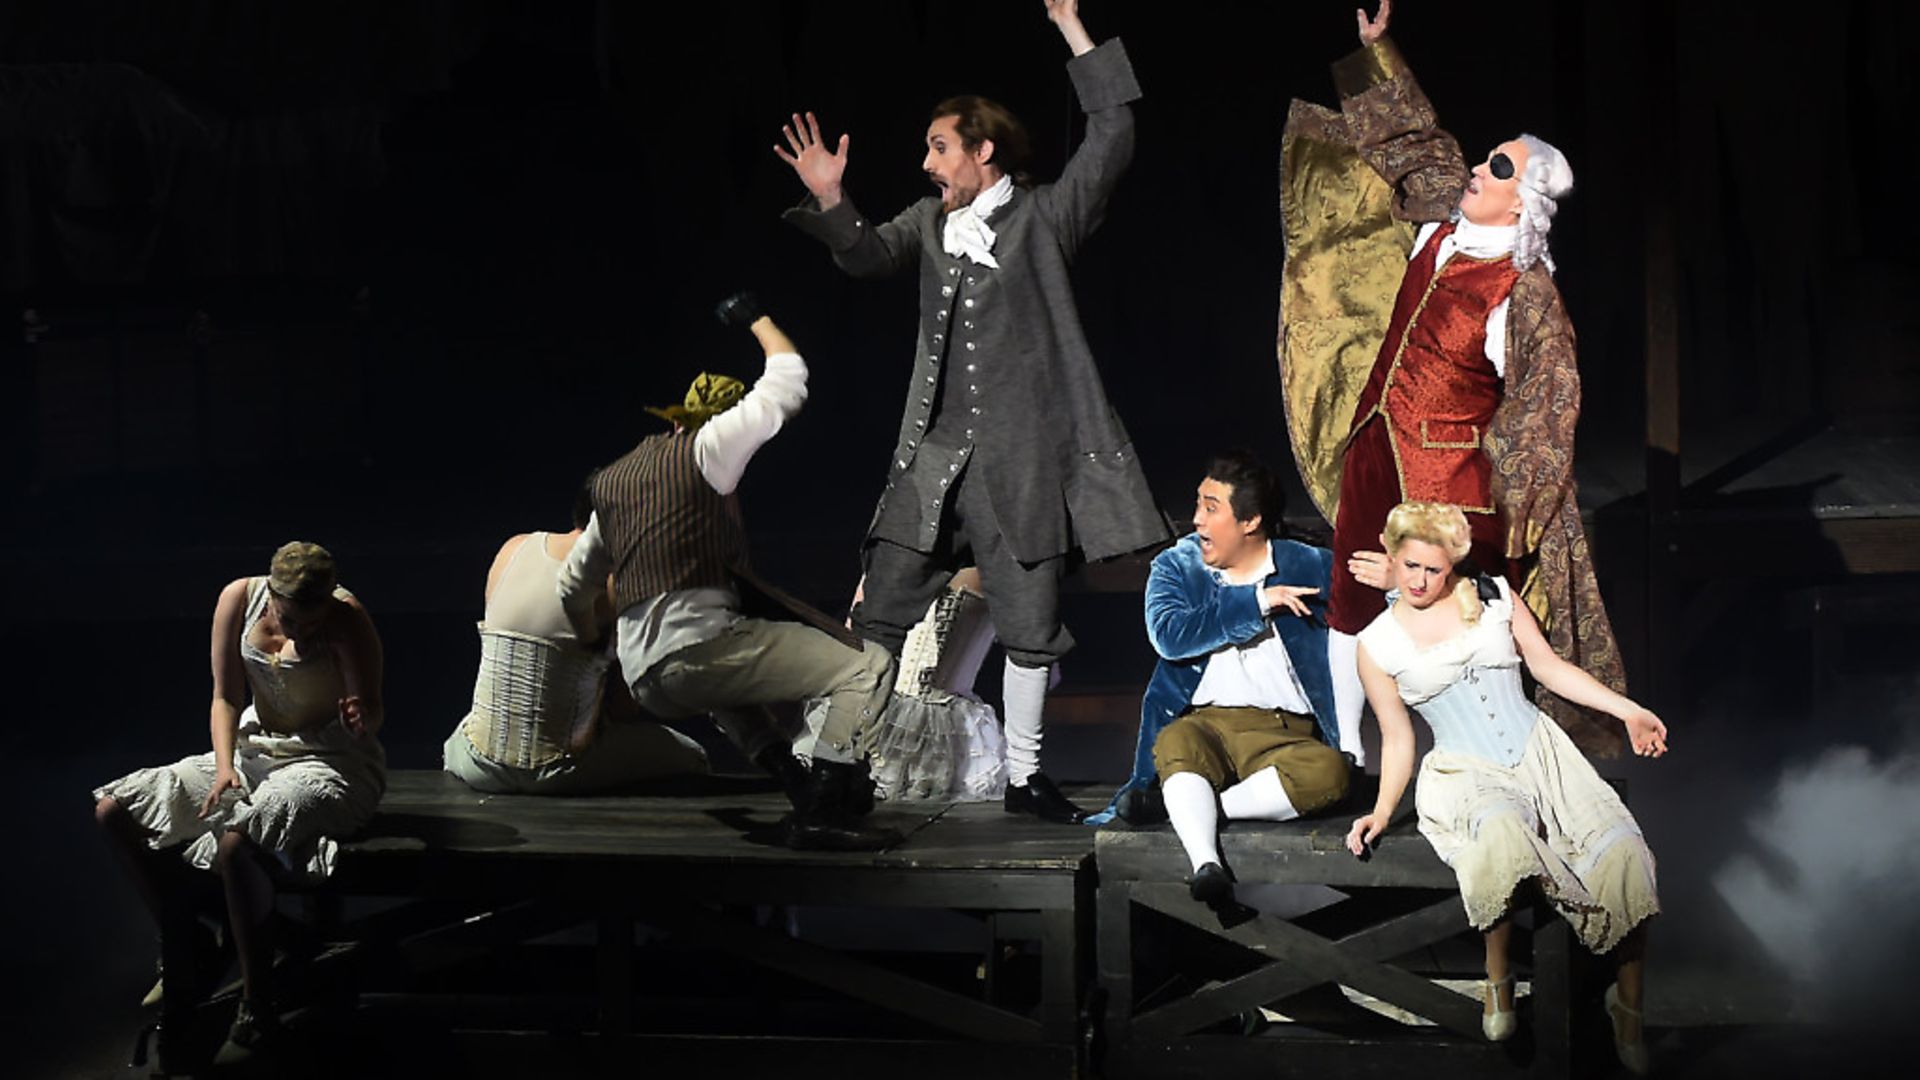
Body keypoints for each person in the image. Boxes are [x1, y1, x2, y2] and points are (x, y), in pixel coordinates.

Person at [775, 0, 1169, 823]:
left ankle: (1027, 777)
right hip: (935, 457)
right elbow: (869, 256)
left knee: (1031, 623)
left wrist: (1070, 26)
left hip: (1018, 466)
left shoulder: (1043, 219)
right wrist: (833, 200)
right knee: (882, 608)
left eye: (940, 147)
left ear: (984, 152)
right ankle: (842, 761)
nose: (926, 163)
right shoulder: (930, 224)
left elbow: (1115, 132)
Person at [1277, 0, 1626, 757]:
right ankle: (1352, 751)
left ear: (1522, 200)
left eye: (1498, 167)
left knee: (1449, 623)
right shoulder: (1441, 223)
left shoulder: (1524, 289)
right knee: (1351, 599)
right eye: (1488, 158)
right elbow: (1418, 146)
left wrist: (1519, 505)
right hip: (1378, 440)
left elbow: (1548, 403)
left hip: (1447, 482)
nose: (1477, 169)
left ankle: (1470, 754)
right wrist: (1380, 54)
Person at [557, 293, 899, 850]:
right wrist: (756, 318)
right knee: (869, 668)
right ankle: (823, 799)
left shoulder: (615, 482)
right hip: (696, 653)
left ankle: (792, 779)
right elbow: (788, 380)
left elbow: (573, 584)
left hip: (646, 676)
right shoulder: (709, 446)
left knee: (730, 690)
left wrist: (594, 638)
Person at [1344, 502, 1664, 1073]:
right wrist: (1381, 809)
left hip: (1542, 755)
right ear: (1392, 558)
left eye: (1433, 570)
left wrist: (1629, 711)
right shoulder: (1377, 643)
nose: (1420, 581)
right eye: (1410, 566)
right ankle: (1498, 979)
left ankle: (1630, 1009)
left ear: (1452, 566)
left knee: (1625, 853)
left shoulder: (1492, 596)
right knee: (1501, 837)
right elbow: (1397, 740)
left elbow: (1548, 668)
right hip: (1464, 769)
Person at [93, 541, 387, 1066]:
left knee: (235, 846)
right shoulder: (239, 598)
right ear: (272, 596)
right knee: (115, 811)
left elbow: (371, 713)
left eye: (312, 621)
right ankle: (183, 943)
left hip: (329, 762)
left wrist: (361, 715)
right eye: (292, 619)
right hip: (253, 751)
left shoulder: (347, 619)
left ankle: (257, 1006)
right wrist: (225, 765)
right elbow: (226, 696)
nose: (301, 631)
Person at [1092, 452, 1352, 911]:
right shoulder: (1178, 566)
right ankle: (1205, 865)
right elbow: (1170, 637)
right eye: (1198, 505)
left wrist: (1394, 578)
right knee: (1176, 741)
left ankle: (1184, 807)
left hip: (1285, 733)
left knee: (1329, 773)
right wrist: (1256, 603)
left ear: (1250, 520)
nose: (1197, 520)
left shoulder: (1309, 565)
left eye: (1211, 508)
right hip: (1207, 726)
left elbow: (1377, 603)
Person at [441, 477, 718, 795]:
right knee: (693, 756)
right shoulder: (615, 582)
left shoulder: (514, 548)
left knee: (470, 732)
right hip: (556, 768)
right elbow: (624, 708)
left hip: (475, 763)